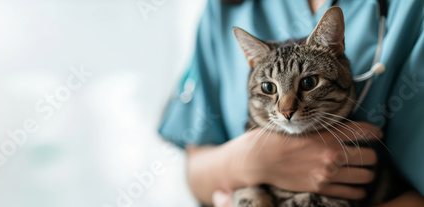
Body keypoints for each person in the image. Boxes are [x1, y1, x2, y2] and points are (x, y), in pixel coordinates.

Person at [158, 0, 424, 206]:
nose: (286, 109)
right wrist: (246, 162)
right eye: (269, 88)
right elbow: (195, 170)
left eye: (307, 84)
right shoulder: (223, 7)